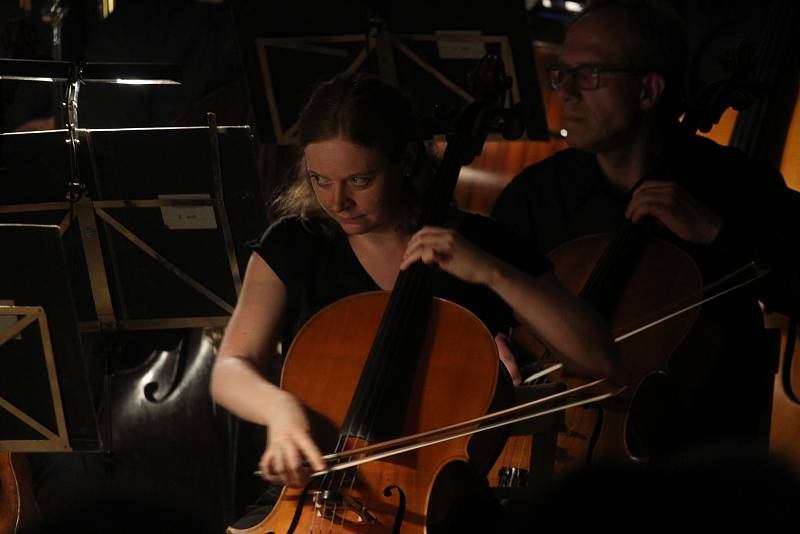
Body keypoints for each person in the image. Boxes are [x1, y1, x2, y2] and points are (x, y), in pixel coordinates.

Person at [209, 72, 617, 529]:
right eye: (320, 179)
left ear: (405, 158)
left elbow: (597, 356)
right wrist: (280, 411)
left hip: (441, 510)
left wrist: (492, 272)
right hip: (314, 497)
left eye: (360, 179)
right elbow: (231, 368)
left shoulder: (481, 246)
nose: (338, 201)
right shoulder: (294, 244)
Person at [492, 0, 800, 460]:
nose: (567, 92)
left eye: (590, 73)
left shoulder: (734, 184)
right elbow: (484, 307)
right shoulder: (537, 195)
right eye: (562, 73)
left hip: (696, 463)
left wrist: (716, 232)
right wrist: (492, 338)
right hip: (542, 447)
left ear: (648, 90)